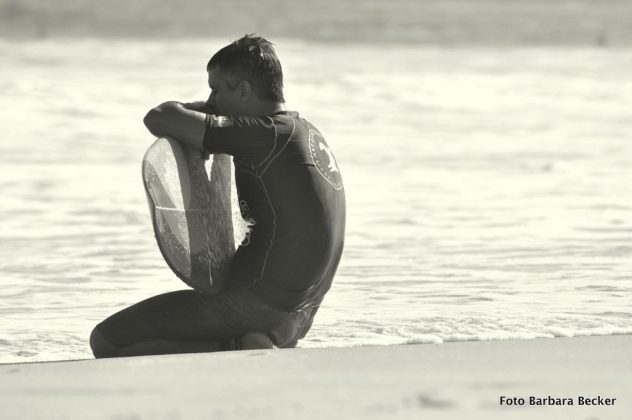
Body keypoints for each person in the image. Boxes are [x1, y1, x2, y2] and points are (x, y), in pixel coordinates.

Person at [89, 35, 346, 357]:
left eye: (217, 89)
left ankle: (237, 344)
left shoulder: (263, 134)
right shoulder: (303, 132)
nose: (212, 98)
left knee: (106, 340)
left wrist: (202, 111)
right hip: (300, 317)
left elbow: (159, 116)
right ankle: (252, 337)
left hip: (259, 305)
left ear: (243, 91)